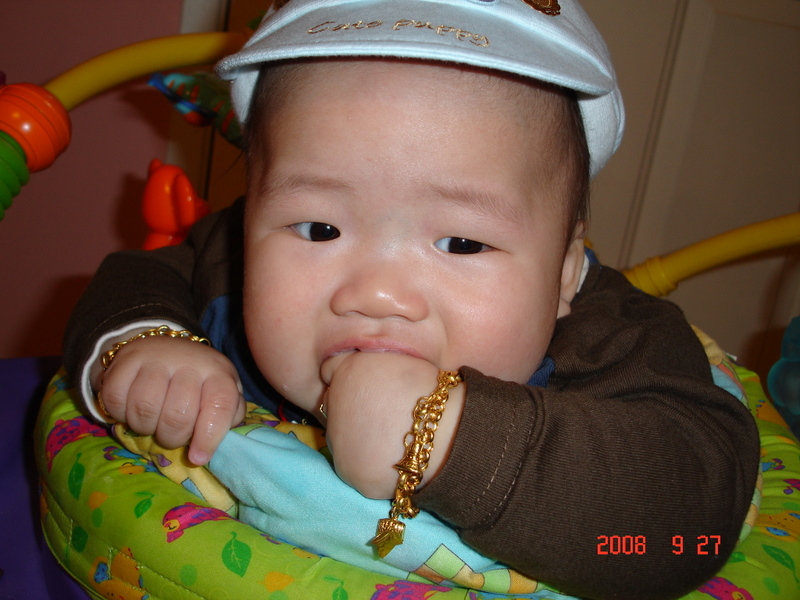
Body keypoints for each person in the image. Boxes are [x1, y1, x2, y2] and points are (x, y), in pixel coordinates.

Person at [63, 1, 760, 598]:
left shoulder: (622, 343)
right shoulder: (231, 267)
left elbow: (691, 521)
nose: (377, 293)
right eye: (320, 229)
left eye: (461, 243)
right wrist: (149, 342)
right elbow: (139, 276)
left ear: (565, 275)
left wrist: (445, 437)